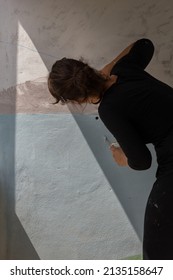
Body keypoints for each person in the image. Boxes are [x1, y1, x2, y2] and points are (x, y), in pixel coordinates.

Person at [48, 38, 173, 260]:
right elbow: (145, 44)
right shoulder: (125, 69)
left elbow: (142, 161)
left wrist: (121, 157)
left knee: (157, 254)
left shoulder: (110, 109)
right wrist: (112, 65)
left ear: (76, 100)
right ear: (85, 67)